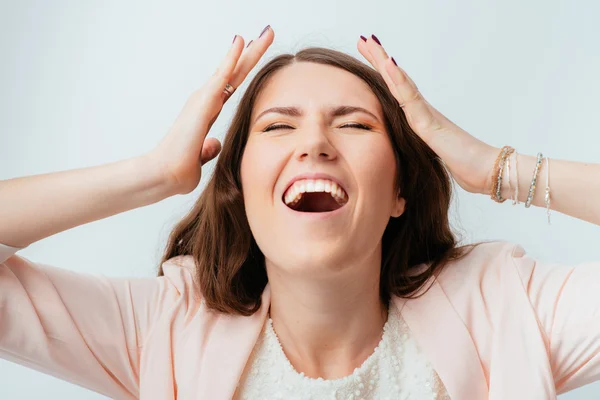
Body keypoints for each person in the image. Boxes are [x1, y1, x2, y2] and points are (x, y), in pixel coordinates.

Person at [1, 24, 599, 400]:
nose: (313, 143)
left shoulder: (503, 312)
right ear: (237, 186)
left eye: (354, 124)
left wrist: (496, 169)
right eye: (278, 126)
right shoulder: (162, 328)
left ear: (399, 194)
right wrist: (155, 174)